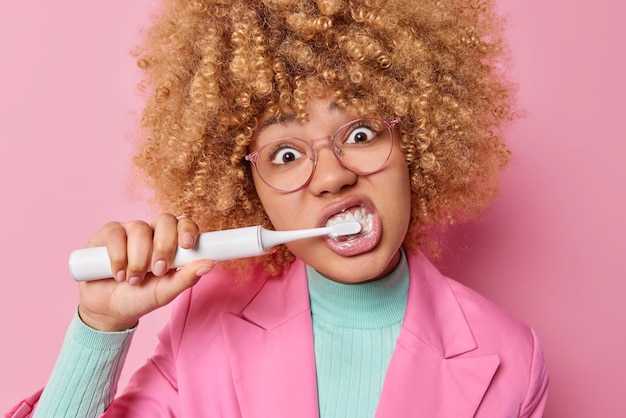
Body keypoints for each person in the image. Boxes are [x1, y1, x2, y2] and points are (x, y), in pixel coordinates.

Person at [6, 0, 548, 416]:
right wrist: (100, 328)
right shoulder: (205, 324)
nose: (334, 176)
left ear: (417, 144)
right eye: (286, 154)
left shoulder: (512, 359)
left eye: (359, 132)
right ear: (248, 189)